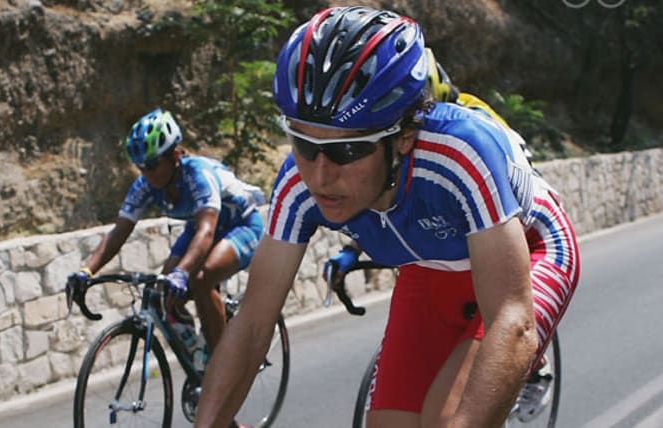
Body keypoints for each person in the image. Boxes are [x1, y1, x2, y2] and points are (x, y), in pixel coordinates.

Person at [195, 6, 580, 428]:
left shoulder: (460, 153)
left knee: (449, 419)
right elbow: (253, 324)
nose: (320, 176)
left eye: (347, 150)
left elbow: (512, 319)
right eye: (303, 144)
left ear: (404, 138)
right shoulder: (296, 183)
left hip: (530, 249)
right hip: (430, 267)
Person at [66, 108, 265, 358]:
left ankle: (221, 362)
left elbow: (206, 231)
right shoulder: (145, 185)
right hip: (200, 229)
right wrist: (86, 271)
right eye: (140, 167)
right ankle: (198, 354)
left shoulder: (197, 174)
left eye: (152, 165)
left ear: (175, 155)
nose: (147, 173)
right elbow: (118, 233)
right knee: (163, 292)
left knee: (200, 279)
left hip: (240, 225)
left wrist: (182, 272)